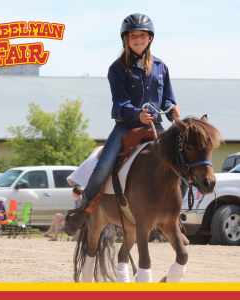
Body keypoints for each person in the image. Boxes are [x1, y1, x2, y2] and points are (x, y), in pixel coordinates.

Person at [65, 13, 183, 235]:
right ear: (125, 39)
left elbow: (167, 98)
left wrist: (172, 109)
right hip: (126, 126)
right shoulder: (117, 68)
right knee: (103, 165)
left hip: (155, 126)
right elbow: (120, 103)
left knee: (181, 161)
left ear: (150, 38)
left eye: (142, 35)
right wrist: (137, 115)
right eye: (133, 35)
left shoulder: (161, 67)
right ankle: (83, 211)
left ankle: (174, 217)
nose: (138, 39)